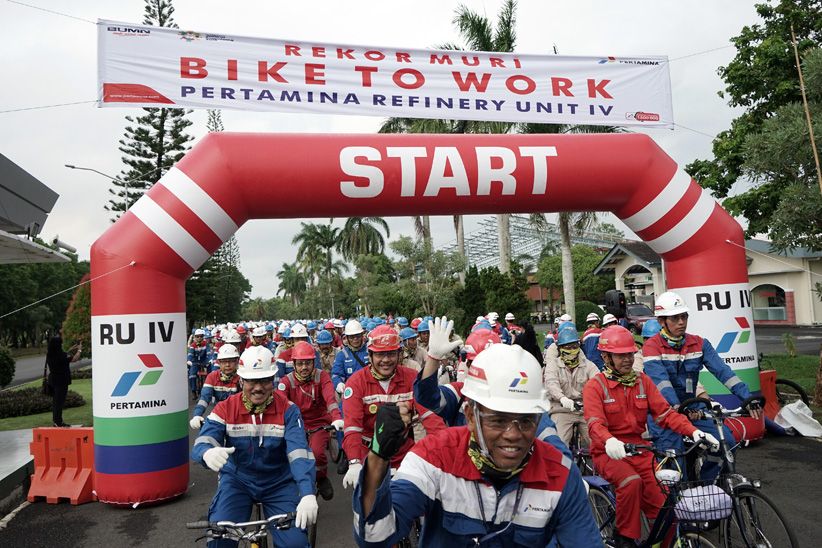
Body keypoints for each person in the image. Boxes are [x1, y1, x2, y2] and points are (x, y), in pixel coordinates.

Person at [353, 342, 601, 547]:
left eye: (526, 421)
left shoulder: (561, 475)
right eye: (498, 420)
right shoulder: (434, 458)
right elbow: (375, 536)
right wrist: (378, 457)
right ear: (471, 416)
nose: (513, 434)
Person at [583, 325, 718, 547]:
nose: (627, 359)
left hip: (640, 450)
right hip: (608, 452)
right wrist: (609, 441)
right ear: (606, 357)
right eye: (621, 355)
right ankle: (624, 537)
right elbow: (595, 423)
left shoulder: (642, 381)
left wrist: (694, 431)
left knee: (665, 503)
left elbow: (665, 414)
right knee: (631, 482)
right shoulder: (595, 386)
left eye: (630, 354)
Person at [191, 345, 316, 547]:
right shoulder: (225, 408)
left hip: (279, 483)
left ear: (273, 379)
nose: (258, 387)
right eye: (251, 381)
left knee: (295, 544)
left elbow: (299, 453)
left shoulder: (289, 410)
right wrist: (206, 453)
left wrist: (308, 492)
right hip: (237, 482)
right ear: (241, 380)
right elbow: (205, 439)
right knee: (219, 538)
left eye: (265, 380)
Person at [642, 291, 762, 480]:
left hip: (693, 408)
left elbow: (724, 372)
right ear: (662, 321)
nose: (681, 322)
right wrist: (679, 408)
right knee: (675, 468)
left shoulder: (699, 343)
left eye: (684, 316)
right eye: (675, 318)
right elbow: (662, 385)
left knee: (726, 443)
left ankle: (708, 484)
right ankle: (677, 496)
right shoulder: (652, 347)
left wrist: (747, 398)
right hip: (664, 413)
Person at [341, 325, 445, 490]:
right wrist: (354, 462)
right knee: (368, 504)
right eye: (380, 354)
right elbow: (352, 427)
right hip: (368, 454)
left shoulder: (412, 378)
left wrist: (445, 451)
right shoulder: (355, 382)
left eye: (391, 353)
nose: (386, 360)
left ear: (399, 354)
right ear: (370, 355)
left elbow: (430, 418)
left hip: (404, 454)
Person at [277, 341, 344, 501]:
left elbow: (330, 399)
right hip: (295, 425)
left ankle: (321, 478)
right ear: (294, 364)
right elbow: (280, 404)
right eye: (300, 364)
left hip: (319, 423)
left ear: (314, 362)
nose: (304, 367)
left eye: (308, 363)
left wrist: (336, 417)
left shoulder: (322, 376)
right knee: (288, 456)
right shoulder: (286, 381)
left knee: (317, 453)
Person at [543, 325, 599, 447]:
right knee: (558, 445)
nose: (571, 350)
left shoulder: (588, 365)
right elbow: (551, 383)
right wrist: (562, 398)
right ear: (560, 349)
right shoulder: (553, 365)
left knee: (598, 442)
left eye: (574, 347)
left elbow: (598, 382)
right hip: (561, 410)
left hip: (585, 410)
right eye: (567, 347)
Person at [190, 343, 242, 430]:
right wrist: (197, 415)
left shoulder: (242, 377)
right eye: (224, 361)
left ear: (237, 361)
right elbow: (204, 398)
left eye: (231, 361)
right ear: (219, 362)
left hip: (239, 418)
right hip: (219, 416)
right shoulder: (212, 376)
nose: (227, 365)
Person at [46, 332, 81, 427]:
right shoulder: (61, 355)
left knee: (56, 402)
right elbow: (74, 359)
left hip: (53, 381)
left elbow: (65, 355)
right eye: (60, 344)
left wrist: (71, 349)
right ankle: (58, 422)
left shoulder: (50, 354)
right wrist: (79, 350)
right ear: (58, 345)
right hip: (61, 381)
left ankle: (56, 421)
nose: (61, 345)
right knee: (59, 402)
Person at [187, 328, 212, 401]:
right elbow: (190, 354)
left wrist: (210, 359)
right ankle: (193, 391)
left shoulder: (206, 344)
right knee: (192, 375)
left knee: (210, 373)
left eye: (201, 336)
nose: (199, 338)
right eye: (197, 336)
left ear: (203, 337)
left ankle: (210, 388)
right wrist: (189, 361)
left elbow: (208, 353)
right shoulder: (193, 345)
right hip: (195, 362)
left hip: (204, 361)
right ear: (195, 337)